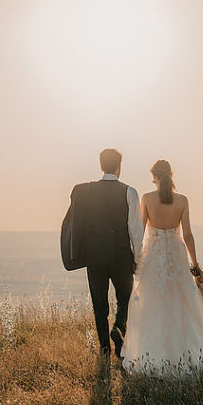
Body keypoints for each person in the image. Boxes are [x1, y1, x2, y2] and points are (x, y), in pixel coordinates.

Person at [121, 159, 203, 373]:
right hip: (176, 256)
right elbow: (187, 235)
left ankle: (151, 351)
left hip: (153, 256)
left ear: (154, 176)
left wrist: (136, 258)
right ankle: (189, 349)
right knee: (181, 298)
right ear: (171, 174)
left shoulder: (147, 199)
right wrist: (195, 264)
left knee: (153, 299)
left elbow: (140, 232)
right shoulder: (182, 200)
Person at [62, 149, 143, 358]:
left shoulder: (86, 193)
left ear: (101, 166)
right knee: (125, 298)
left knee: (99, 305)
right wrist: (138, 258)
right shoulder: (129, 192)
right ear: (119, 166)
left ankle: (104, 348)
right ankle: (119, 327)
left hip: (95, 256)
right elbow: (135, 229)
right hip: (121, 255)